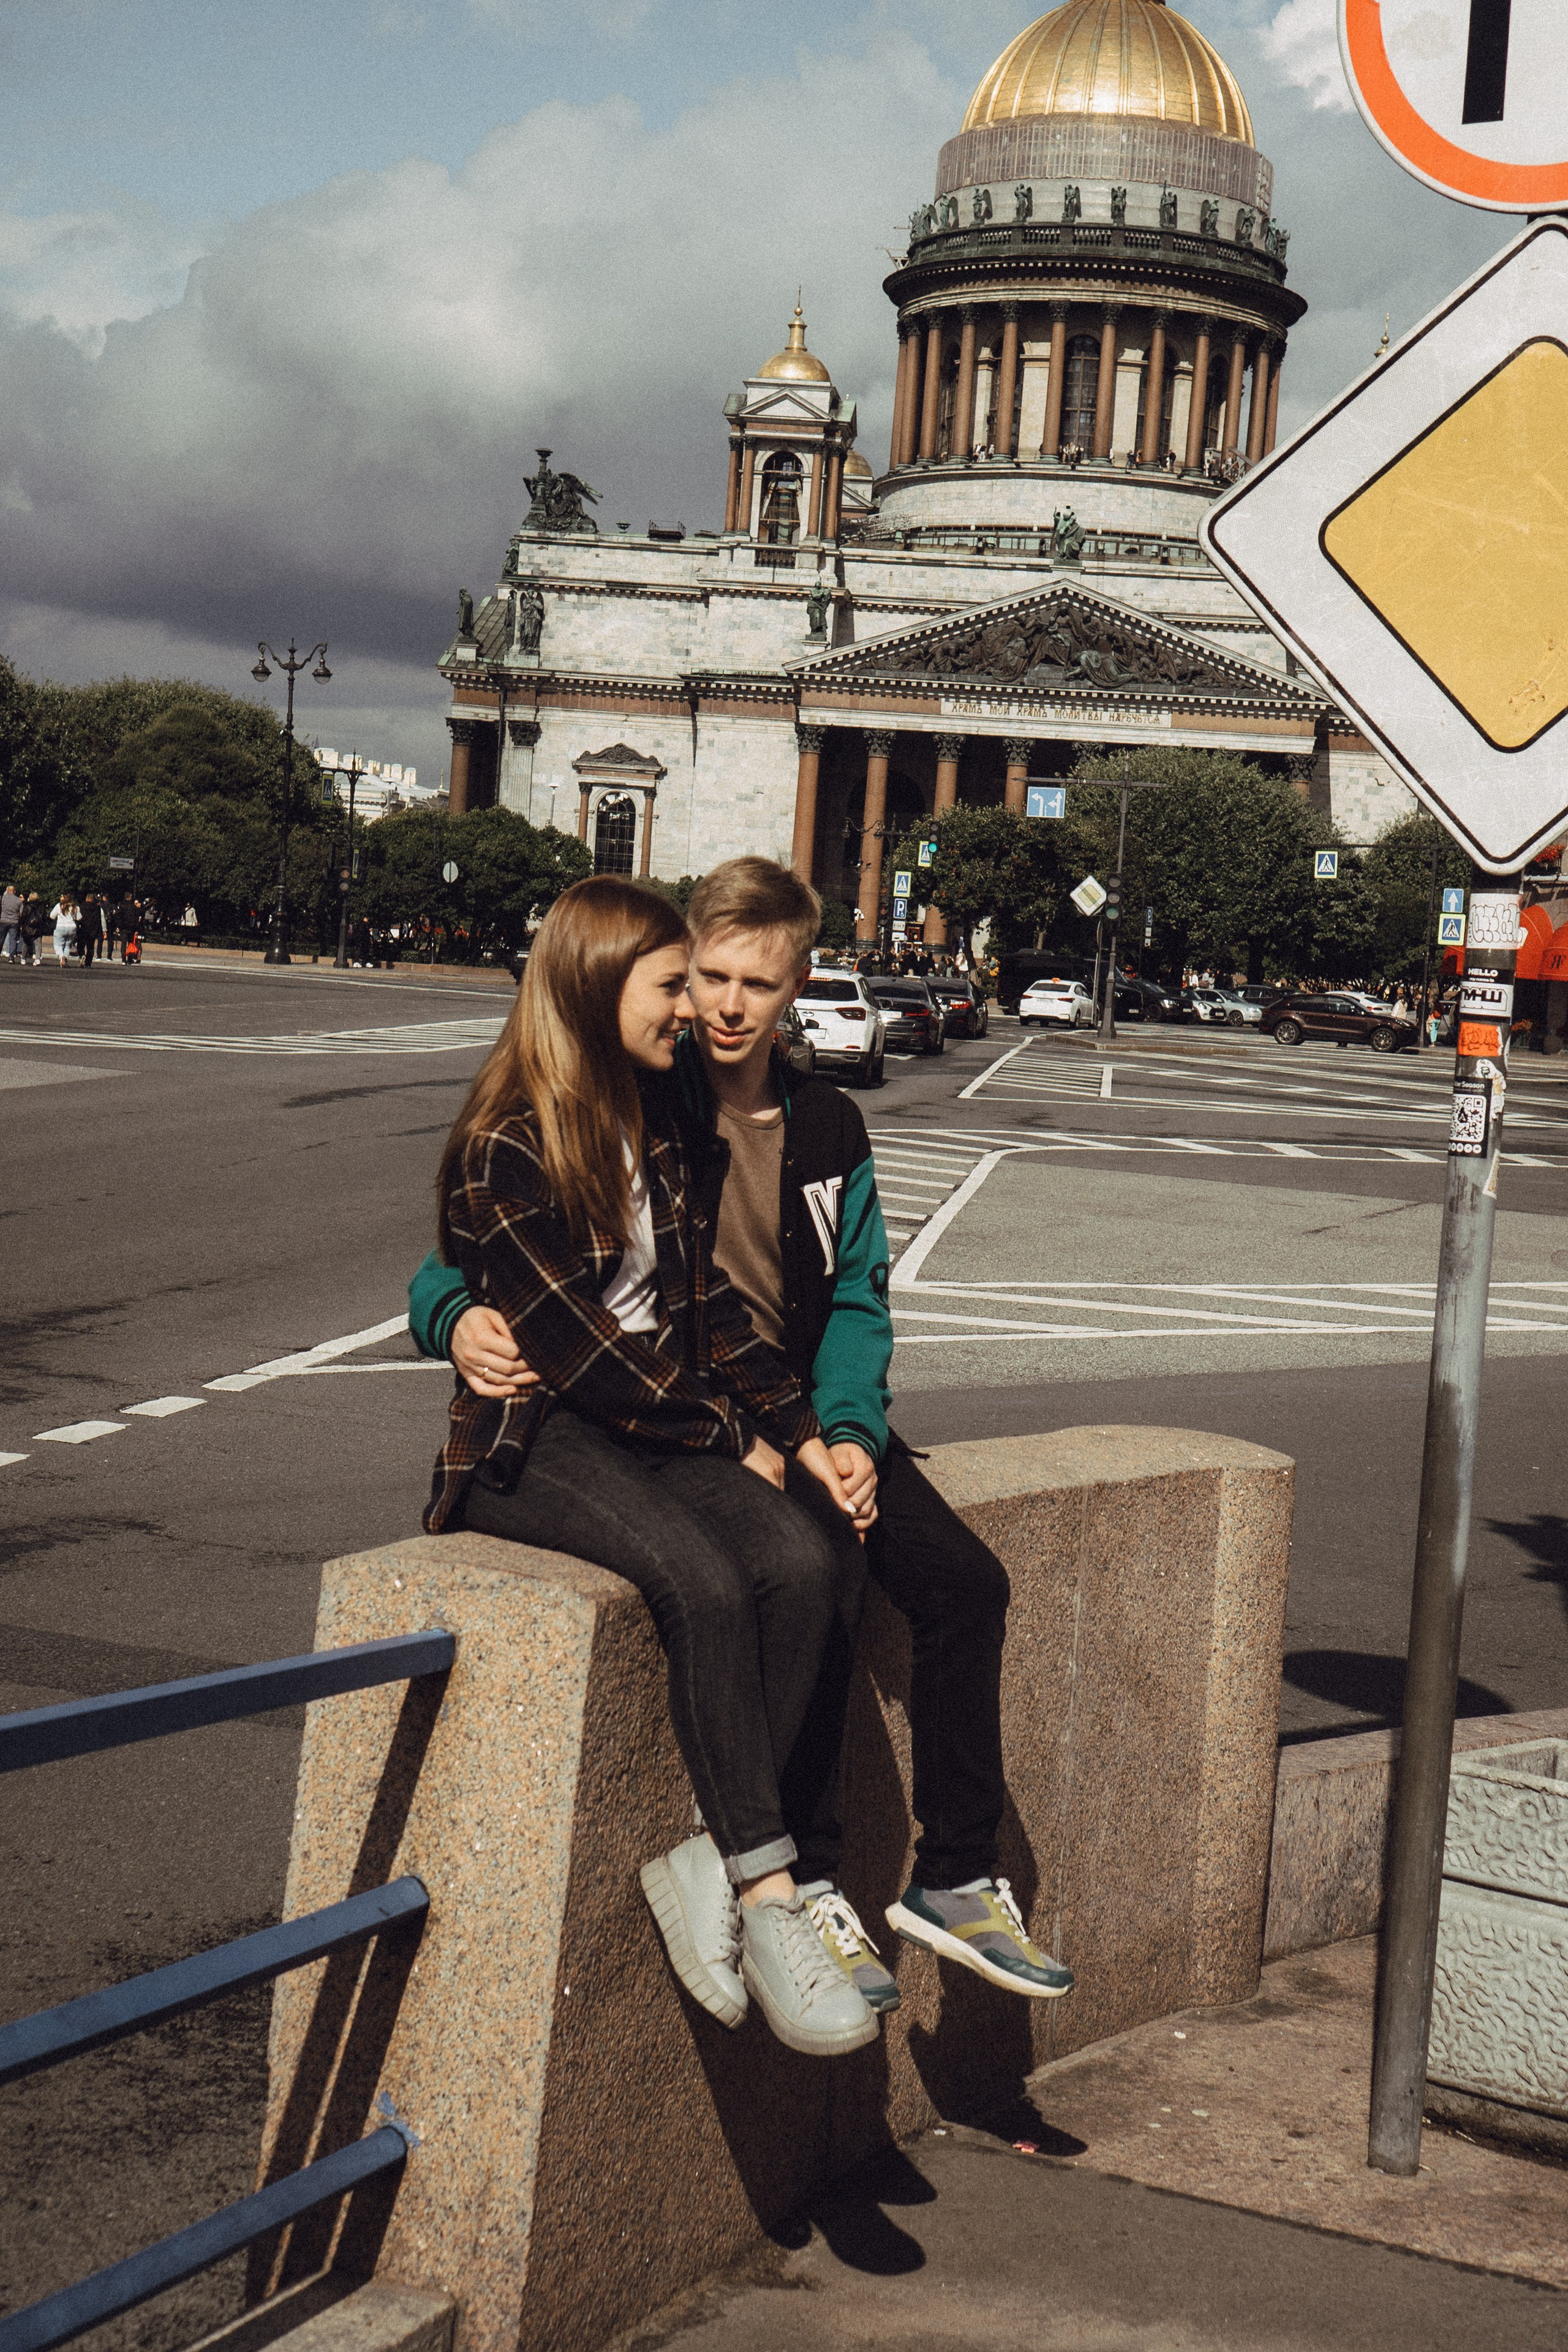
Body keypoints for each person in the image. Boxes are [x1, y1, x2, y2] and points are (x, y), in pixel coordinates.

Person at [412, 857, 1074, 2010]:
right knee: (800, 1570)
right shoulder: (634, 1098)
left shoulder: (824, 1123)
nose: (715, 1007)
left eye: (747, 984)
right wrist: (453, 1317)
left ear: (796, 988)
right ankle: (804, 1878)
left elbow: (852, 1297)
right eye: (696, 978)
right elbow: (479, 1263)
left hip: (781, 1402)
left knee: (959, 1581)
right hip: (678, 1417)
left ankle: (956, 1876)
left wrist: (842, 1430)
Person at [426, 873, 880, 2059]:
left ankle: (708, 1852)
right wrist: (734, 1435)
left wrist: (808, 1432)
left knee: (798, 1561)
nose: (693, 1009)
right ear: (595, 983)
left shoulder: (650, 1118)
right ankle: (771, 1902)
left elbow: (713, 1310)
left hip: (653, 1427)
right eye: (674, 983)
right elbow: (584, 1358)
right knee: (706, 1584)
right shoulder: (506, 1142)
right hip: (540, 1444)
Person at [50, 894, 78, 965]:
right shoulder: (74, 907)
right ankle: (66, 960)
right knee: (67, 946)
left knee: (58, 945)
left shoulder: (59, 906)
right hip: (72, 928)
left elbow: (52, 916)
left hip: (61, 927)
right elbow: (79, 917)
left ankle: (61, 956)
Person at [1, 883, 19, 962]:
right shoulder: (18, 900)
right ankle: (11, 957)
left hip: (4, 920)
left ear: (7, 891)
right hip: (14, 921)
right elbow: (21, 912)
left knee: (1, 938)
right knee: (13, 939)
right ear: (14, 892)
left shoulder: (3, 898)